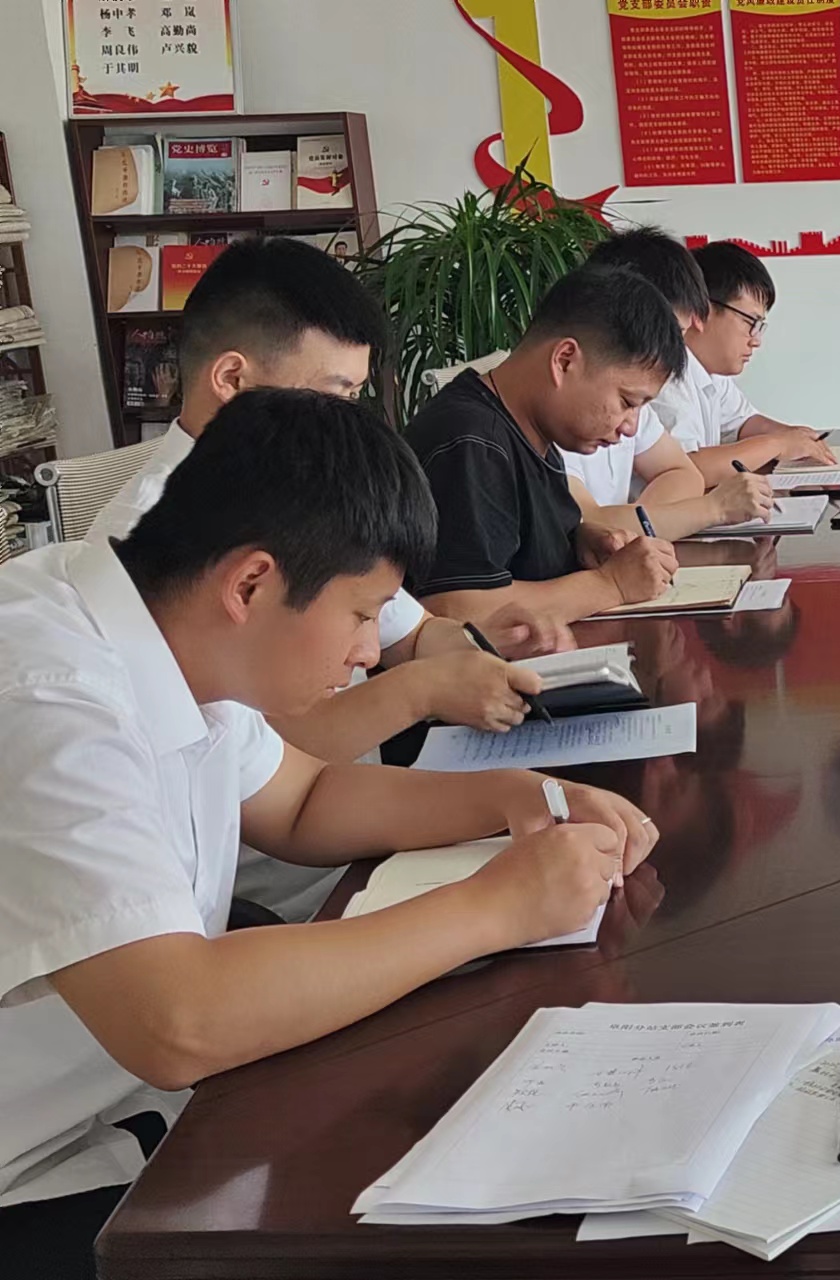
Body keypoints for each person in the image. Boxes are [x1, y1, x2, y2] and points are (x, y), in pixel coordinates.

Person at [0, 389, 655, 1279]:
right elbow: (178, 1022)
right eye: (360, 613)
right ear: (251, 584)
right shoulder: (49, 698)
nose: (367, 652)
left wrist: (518, 793)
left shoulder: (172, 629)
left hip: (123, 1109)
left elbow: (303, 801)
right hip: (33, 1170)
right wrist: (499, 908)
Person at [84, 234, 547, 767]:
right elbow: (270, 764)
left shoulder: (314, 491)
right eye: (334, 394)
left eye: (354, 397)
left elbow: (411, 633)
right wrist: (426, 689)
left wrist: (479, 649)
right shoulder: (150, 539)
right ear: (233, 380)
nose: (350, 421)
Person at [405, 265, 683, 629]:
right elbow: (454, 608)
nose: (630, 426)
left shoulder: (535, 432)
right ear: (564, 360)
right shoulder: (472, 443)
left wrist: (578, 541)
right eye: (627, 402)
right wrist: (611, 584)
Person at [563, 229, 783, 538]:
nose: (676, 350)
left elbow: (684, 473)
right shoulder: (559, 404)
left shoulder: (634, 387)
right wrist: (711, 509)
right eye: (672, 333)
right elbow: (591, 525)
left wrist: (643, 525)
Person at [678, 239, 839, 478]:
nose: (756, 341)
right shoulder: (667, 374)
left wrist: (798, 438)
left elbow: (743, 423)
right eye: (750, 322)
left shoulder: (710, 372)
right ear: (701, 312)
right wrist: (778, 444)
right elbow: (685, 469)